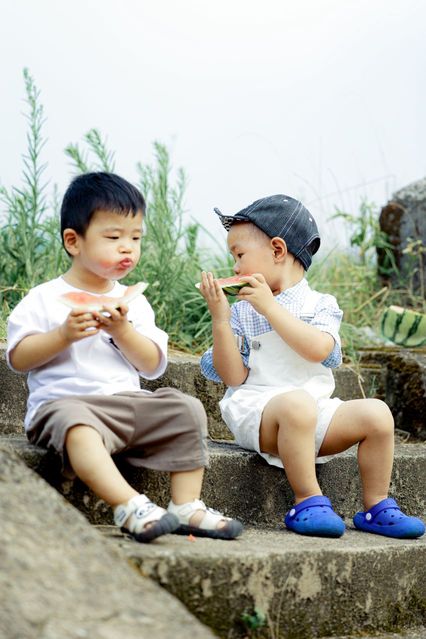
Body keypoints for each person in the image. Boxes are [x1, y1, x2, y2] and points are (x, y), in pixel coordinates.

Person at [7, 172, 243, 543]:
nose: (127, 248)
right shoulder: (43, 299)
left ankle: (186, 504)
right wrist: (62, 335)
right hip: (64, 406)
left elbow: (151, 365)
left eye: (135, 238)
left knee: (188, 409)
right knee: (78, 427)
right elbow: (19, 358)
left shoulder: (136, 302)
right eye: (114, 237)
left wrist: (123, 332)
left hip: (127, 405)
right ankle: (129, 505)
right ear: (73, 241)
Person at [198, 194, 425, 539]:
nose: (235, 267)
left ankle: (376, 505)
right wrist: (221, 319)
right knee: (297, 404)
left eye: (239, 255)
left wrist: (270, 309)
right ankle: (307, 499)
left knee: (378, 413)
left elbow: (319, 349)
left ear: (277, 250)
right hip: (260, 415)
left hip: (315, 415)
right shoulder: (241, 311)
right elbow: (233, 376)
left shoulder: (321, 305)